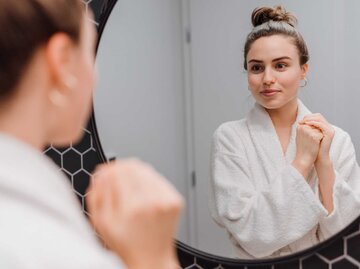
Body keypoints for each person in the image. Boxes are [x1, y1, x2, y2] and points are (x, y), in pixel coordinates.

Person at [0, 1, 183, 268]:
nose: (95, 76)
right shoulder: (40, 241)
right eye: (90, 51)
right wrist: (154, 258)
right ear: (61, 60)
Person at [209, 5, 360, 259]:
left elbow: (346, 234)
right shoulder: (229, 138)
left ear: (303, 70)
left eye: (280, 65)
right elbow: (252, 234)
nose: (267, 78)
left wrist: (323, 161)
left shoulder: (336, 139)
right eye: (257, 68)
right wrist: (302, 161)